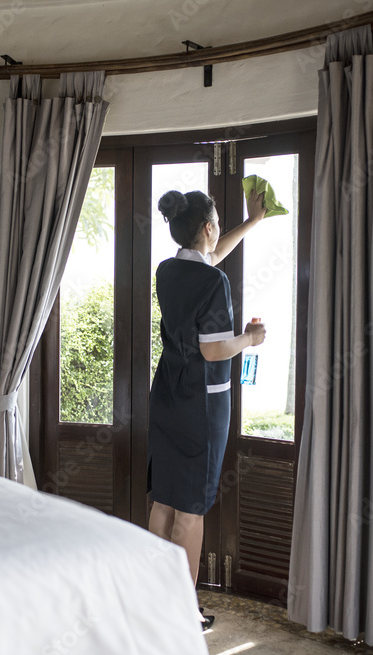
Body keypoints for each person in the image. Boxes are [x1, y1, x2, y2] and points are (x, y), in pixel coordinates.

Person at [148, 188, 267, 631]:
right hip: (201, 405)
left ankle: (153, 600)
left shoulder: (168, 270)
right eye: (216, 223)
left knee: (165, 499)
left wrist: (252, 223)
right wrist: (250, 339)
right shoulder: (213, 283)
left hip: (167, 397)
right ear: (208, 227)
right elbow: (215, 351)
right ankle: (183, 610)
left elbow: (209, 258)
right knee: (191, 509)